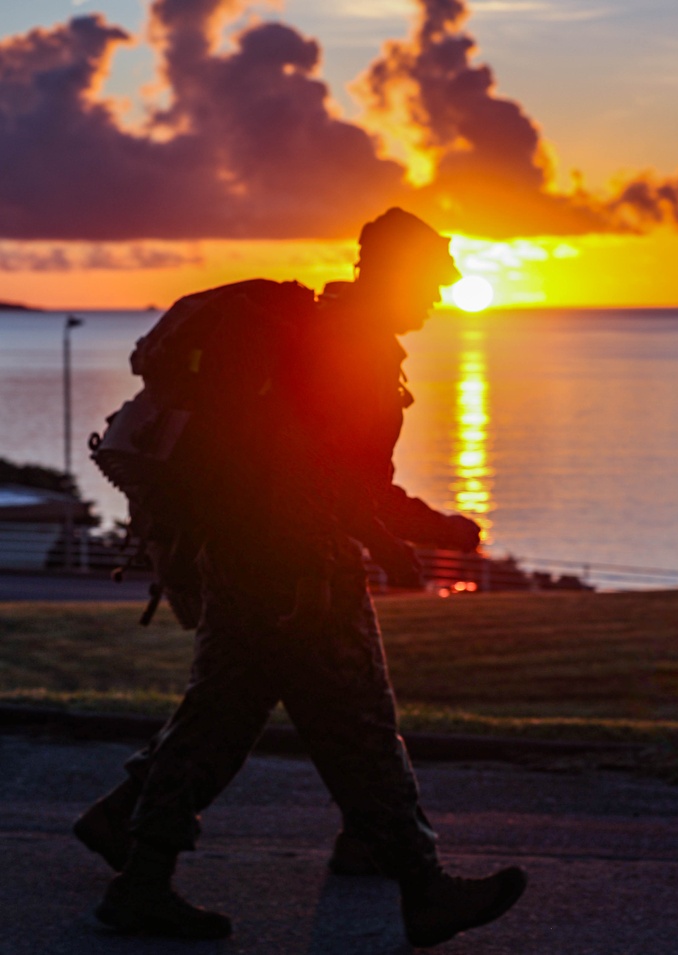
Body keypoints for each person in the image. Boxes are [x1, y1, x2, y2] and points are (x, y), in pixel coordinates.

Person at [72, 208, 527, 947]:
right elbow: (352, 485)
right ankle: (423, 886)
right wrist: (440, 528)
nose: (439, 298)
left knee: (221, 720)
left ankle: (136, 862)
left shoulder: (322, 329)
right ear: (395, 272)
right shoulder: (356, 349)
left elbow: (321, 469)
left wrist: (381, 542)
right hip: (296, 571)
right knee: (360, 726)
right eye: (432, 281)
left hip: (252, 554)